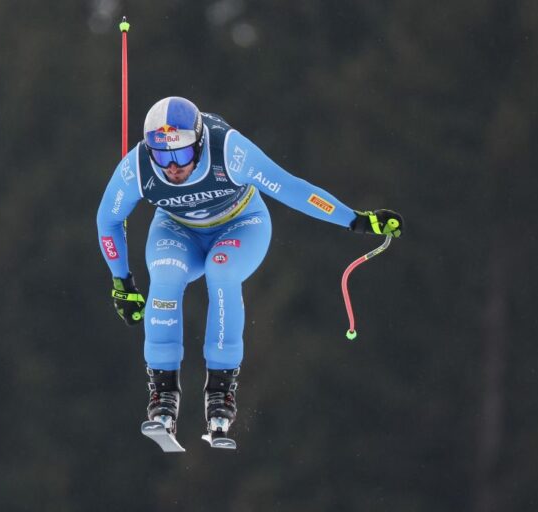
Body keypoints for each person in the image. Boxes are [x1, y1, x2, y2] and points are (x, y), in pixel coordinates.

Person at [96, 96, 402, 439]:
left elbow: (291, 189)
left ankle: (221, 392)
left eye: (180, 155)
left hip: (240, 225)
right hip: (177, 230)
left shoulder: (229, 151)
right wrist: (122, 281)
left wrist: (356, 220)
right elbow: (108, 220)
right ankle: (163, 394)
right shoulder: (136, 166)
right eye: (162, 156)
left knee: (221, 272)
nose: (171, 167)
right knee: (165, 276)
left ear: (198, 143)